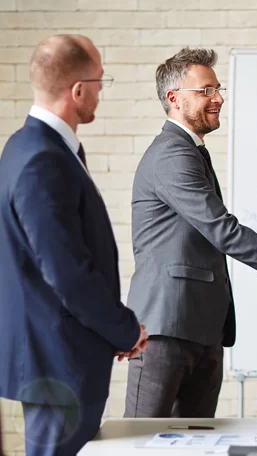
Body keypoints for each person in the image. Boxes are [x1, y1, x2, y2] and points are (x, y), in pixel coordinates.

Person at [124, 48, 257, 418]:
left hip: (202, 330)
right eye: (206, 91)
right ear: (174, 99)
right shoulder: (172, 153)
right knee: (142, 443)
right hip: (166, 329)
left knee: (197, 444)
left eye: (218, 89)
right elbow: (223, 230)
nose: (218, 99)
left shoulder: (191, 151)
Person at [0, 34, 148, 456]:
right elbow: (68, 273)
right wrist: (124, 329)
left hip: (59, 361)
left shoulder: (25, 147)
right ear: (78, 90)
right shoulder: (41, 160)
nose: (103, 90)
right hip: (58, 365)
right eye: (101, 81)